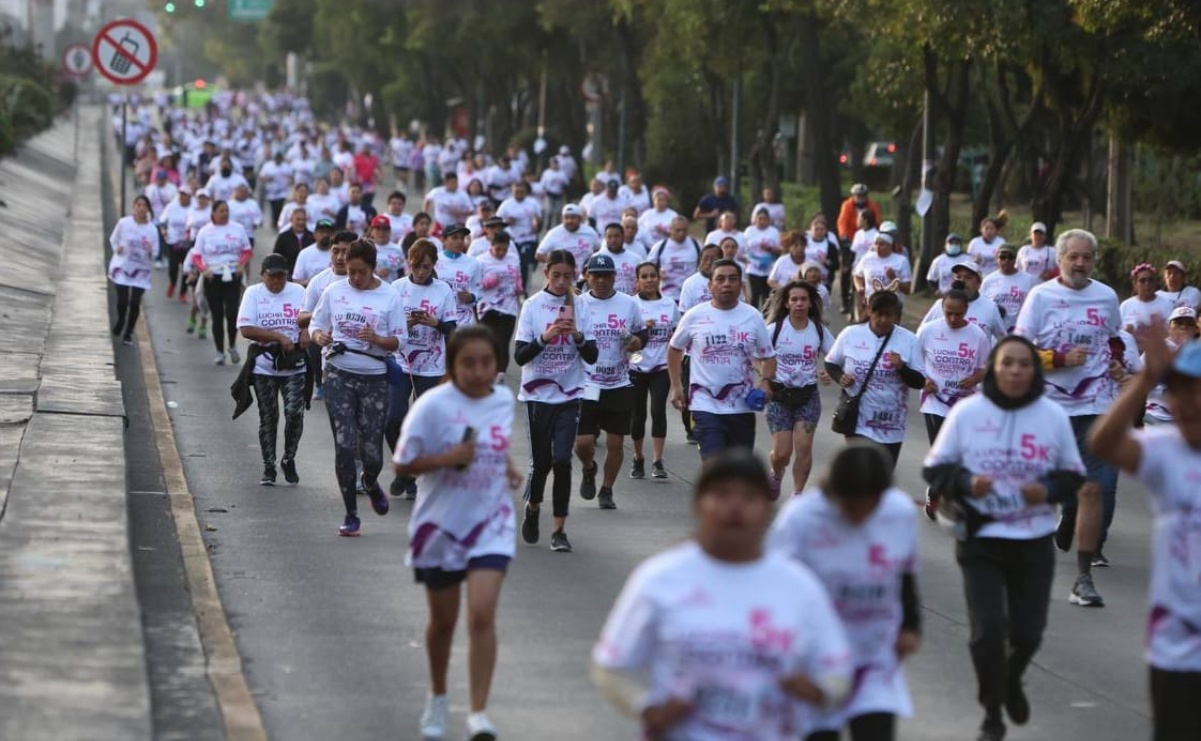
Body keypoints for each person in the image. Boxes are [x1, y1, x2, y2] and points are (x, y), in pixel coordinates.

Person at [592, 450, 853, 741]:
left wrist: (817, 692)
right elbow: (612, 668)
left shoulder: (799, 586)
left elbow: (837, 670)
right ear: (698, 504)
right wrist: (649, 709)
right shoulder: (659, 579)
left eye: (749, 497)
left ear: (767, 510)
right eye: (722, 494)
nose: (735, 506)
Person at [923, 335, 1087, 741]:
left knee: (1028, 633)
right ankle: (992, 713)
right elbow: (935, 470)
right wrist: (966, 482)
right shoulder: (968, 413)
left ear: (1034, 371)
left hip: (1033, 538)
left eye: (1023, 364)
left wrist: (1046, 491)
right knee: (988, 630)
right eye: (1007, 363)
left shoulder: (1051, 416)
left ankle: (1011, 678)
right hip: (981, 537)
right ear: (994, 367)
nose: (1015, 371)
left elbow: (1073, 477)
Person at [393, 326, 524, 741]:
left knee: (482, 614)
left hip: (491, 522)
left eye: (487, 362)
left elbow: (495, 445)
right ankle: (437, 695)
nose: (479, 371)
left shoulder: (503, 400)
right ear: (452, 364)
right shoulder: (433, 405)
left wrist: (507, 467)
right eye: (469, 363)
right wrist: (446, 458)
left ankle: (479, 714)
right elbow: (402, 465)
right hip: (441, 526)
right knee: (443, 623)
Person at [1088, 327, 1201, 741]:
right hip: (1177, 652)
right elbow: (1104, 442)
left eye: (1196, 393)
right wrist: (1145, 381)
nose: (1184, 405)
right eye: (1177, 393)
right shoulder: (1168, 451)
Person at [770, 443, 922, 741]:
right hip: (814, 661)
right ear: (833, 493)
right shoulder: (800, 519)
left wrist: (910, 625)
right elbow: (773, 593)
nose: (862, 514)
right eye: (852, 506)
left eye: (871, 504)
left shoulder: (898, 512)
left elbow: (904, 572)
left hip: (873, 656)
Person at [1013, 228, 1116, 607]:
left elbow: (1115, 337)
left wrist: (1119, 362)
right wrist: (1056, 359)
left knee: (1094, 488)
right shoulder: (1041, 297)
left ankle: (1083, 578)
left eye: (1086, 257)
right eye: (1073, 256)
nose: (1080, 263)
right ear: (1060, 260)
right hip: (1049, 409)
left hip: (1095, 405)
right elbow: (1019, 351)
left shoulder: (1106, 296)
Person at [309, 239, 402, 536]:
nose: (355, 278)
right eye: (350, 271)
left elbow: (400, 341)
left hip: (374, 377)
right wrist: (319, 336)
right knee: (344, 445)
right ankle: (351, 513)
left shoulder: (390, 296)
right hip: (338, 373)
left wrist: (377, 339)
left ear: (373, 269)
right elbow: (315, 324)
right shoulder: (334, 291)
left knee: (372, 450)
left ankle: (371, 482)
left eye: (361, 272)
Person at [514, 250, 599, 553]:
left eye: (568, 276)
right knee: (543, 463)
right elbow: (520, 355)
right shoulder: (533, 307)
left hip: (570, 393)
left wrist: (576, 335)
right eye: (556, 275)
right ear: (546, 273)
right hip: (538, 395)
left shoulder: (582, 306)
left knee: (563, 460)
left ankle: (559, 529)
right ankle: (534, 507)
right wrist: (546, 336)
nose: (562, 282)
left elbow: (592, 355)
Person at [668, 260, 777, 461]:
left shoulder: (752, 316)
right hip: (704, 404)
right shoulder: (695, 316)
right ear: (710, 286)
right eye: (720, 279)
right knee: (713, 464)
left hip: (742, 406)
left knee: (739, 469)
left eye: (733, 279)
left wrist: (766, 382)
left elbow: (768, 356)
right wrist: (676, 386)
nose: (727, 284)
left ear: (740, 285)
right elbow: (674, 349)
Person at [386, 239, 458, 499]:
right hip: (401, 361)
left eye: (426, 267)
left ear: (434, 266)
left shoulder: (443, 291)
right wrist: (406, 322)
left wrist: (435, 322)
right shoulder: (396, 288)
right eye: (416, 266)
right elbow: (387, 327)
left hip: (431, 366)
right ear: (409, 264)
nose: (421, 272)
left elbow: (453, 330)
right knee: (393, 420)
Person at [574, 254, 647, 510]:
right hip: (589, 384)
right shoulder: (579, 304)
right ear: (587, 276)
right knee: (583, 443)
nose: (602, 281)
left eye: (606, 276)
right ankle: (588, 467)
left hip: (619, 383)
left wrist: (635, 342)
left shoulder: (628, 304)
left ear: (615, 277)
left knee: (616, 442)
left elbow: (641, 337)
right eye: (596, 276)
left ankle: (606, 489)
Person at [825, 291, 924, 467]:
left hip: (892, 423)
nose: (884, 320)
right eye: (879, 314)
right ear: (869, 311)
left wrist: (902, 367)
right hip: (858, 419)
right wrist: (841, 378)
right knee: (860, 471)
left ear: (897, 315)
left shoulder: (909, 340)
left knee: (882, 477)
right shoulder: (851, 334)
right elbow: (831, 363)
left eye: (889, 315)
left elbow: (919, 381)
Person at [236, 254, 309, 486]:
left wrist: (306, 335)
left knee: (295, 413)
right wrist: (277, 336)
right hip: (265, 365)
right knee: (269, 417)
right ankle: (269, 466)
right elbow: (246, 329)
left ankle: (289, 458)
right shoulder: (253, 294)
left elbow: (311, 320)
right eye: (272, 277)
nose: (277, 282)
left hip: (294, 365)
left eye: (281, 277)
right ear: (262, 276)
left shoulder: (298, 292)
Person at [763, 280, 833, 497]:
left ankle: (797, 494)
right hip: (779, 395)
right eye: (794, 299)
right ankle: (776, 472)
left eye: (803, 299)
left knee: (804, 449)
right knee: (782, 453)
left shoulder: (818, 331)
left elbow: (836, 357)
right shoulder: (773, 330)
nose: (799, 304)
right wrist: (764, 376)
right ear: (786, 303)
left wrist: (828, 372)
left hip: (808, 396)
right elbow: (756, 355)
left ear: (811, 303)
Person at [627, 262, 679, 481]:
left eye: (652, 276)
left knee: (658, 410)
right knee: (638, 414)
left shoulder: (670, 304)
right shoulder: (631, 304)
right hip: (637, 364)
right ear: (637, 280)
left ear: (659, 278)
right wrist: (641, 330)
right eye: (644, 276)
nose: (649, 280)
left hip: (661, 365)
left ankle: (657, 460)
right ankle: (638, 457)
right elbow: (622, 337)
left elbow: (678, 334)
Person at [192, 200, 253, 365]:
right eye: (221, 211)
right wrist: (203, 270)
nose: (224, 213)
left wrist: (242, 264)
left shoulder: (237, 228)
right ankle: (219, 351)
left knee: (232, 313)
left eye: (226, 210)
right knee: (217, 315)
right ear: (213, 213)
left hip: (233, 274)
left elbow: (247, 250)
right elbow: (196, 255)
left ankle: (232, 345)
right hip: (213, 276)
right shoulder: (205, 231)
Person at [108, 195, 158, 346]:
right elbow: (114, 239)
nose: (141, 208)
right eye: (138, 205)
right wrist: (118, 248)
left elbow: (155, 252)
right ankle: (122, 319)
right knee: (122, 301)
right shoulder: (124, 223)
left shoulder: (152, 230)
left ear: (148, 209)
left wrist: (150, 251)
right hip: (122, 267)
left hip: (140, 271)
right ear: (134, 207)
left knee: (135, 302)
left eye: (144, 206)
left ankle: (128, 332)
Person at [476, 231, 523, 377]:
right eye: (498, 249)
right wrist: (486, 282)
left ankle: (500, 375)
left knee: (503, 343)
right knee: (487, 342)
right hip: (486, 307)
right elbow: (474, 284)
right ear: (491, 246)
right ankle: (485, 371)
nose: (502, 252)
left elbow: (518, 275)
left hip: (508, 307)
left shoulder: (513, 258)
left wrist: (518, 285)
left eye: (505, 249)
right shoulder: (481, 261)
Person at [921, 263, 1007, 341]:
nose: (962, 281)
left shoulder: (990, 308)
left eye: (968, 278)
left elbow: (1002, 339)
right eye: (958, 277)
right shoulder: (939, 305)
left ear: (979, 283)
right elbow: (922, 333)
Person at [536, 204, 601, 285]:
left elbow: (598, 250)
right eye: (566, 217)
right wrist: (556, 264)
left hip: (585, 280)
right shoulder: (554, 233)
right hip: (561, 281)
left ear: (580, 218)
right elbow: (539, 255)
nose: (569, 221)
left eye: (573, 217)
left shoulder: (590, 232)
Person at [852, 233, 911, 322]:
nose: (878, 247)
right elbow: (857, 275)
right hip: (870, 302)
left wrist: (893, 277)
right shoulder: (867, 258)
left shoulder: (901, 261)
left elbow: (907, 289)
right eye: (876, 244)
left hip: (891, 305)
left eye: (882, 244)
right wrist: (859, 287)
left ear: (890, 245)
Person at [980, 243, 1035, 333]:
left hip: (1020, 331)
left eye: (1010, 257)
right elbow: (983, 307)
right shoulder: (988, 281)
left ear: (1015, 259)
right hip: (995, 332)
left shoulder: (1028, 279)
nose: (1006, 260)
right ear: (997, 259)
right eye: (1002, 257)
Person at [647, 216, 702, 303]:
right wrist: (657, 273)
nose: (681, 233)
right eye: (678, 230)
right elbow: (648, 268)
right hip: (668, 295)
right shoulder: (660, 247)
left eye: (684, 230)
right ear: (670, 230)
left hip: (691, 295)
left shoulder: (696, 245)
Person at [435, 224, 481, 328]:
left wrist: (471, 297)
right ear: (443, 240)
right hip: (440, 318)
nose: (460, 241)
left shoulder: (473, 263)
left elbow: (479, 291)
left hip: (464, 320)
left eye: (462, 238)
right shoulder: (435, 260)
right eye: (455, 238)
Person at [743, 206, 783, 308]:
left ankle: (767, 318)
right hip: (753, 267)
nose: (761, 221)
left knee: (766, 295)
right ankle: (754, 317)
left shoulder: (773, 231)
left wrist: (769, 248)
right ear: (755, 219)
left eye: (764, 219)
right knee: (755, 294)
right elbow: (743, 248)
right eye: (759, 219)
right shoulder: (749, 231)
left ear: (769, 220)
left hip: (769, 267)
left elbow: (780, 250)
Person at [159, 185, 193, 302]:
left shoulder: (194, 208)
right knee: (173, 267)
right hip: (173, 241)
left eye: (186, 195)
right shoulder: (171, 207)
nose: (183, 197)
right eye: (181, 194)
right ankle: (173, 283)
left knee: (185, 268)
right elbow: (162, 221)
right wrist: (163, 231)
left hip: (187, 243)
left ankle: (183, 292)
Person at [1122, 263, 1175, 336]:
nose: (1147, 283)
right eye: (1142, 280)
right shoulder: (1125, 306)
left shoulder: (1167, 304)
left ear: (1155, 282)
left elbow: (1174, 334)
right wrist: (1126, 332)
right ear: (1135, 284)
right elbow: (1116, 333)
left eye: (1150, 280)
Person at [595, 222, 642, 295]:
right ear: (605, 238)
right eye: (609, 237)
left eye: (617, 236)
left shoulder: (636, 259)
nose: (613, 240)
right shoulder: (597, 258)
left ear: (623, 237)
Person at [272, 207, 314, 276]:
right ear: (291, 220)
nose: (301, 222)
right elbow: (276, 257)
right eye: (298, 219)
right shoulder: (283, 237)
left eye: (303, 219)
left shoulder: (312, 237)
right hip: (288, 276)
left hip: (308, 277)